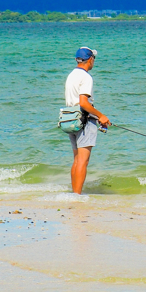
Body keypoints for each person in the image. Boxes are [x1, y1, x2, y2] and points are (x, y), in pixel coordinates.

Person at [65, 46, 111, 194]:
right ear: (90, 59)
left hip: (70, 119)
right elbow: (83, 102)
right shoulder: (86, 77)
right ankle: (77, 196)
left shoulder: (71, 75)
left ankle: (74, 193)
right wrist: (101, 116)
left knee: (77, 160)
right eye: (94, 59)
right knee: (83, 162)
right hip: (84, 121)